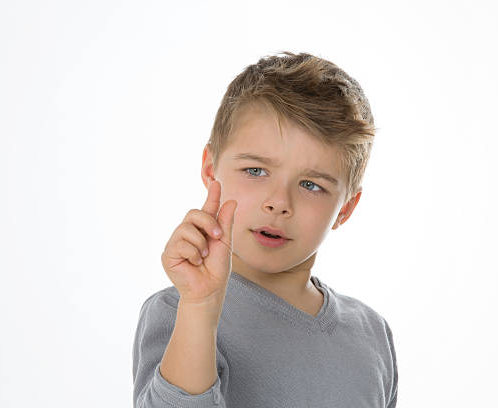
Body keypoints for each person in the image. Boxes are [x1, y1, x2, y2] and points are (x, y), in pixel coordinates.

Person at [132, 51, 398, 407]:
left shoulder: (372, 334)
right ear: (211, 170)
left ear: (345, 208)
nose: (279, 202)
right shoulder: (180, 310)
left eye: (311, 185)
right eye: (256, 171)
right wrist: (200, 307)